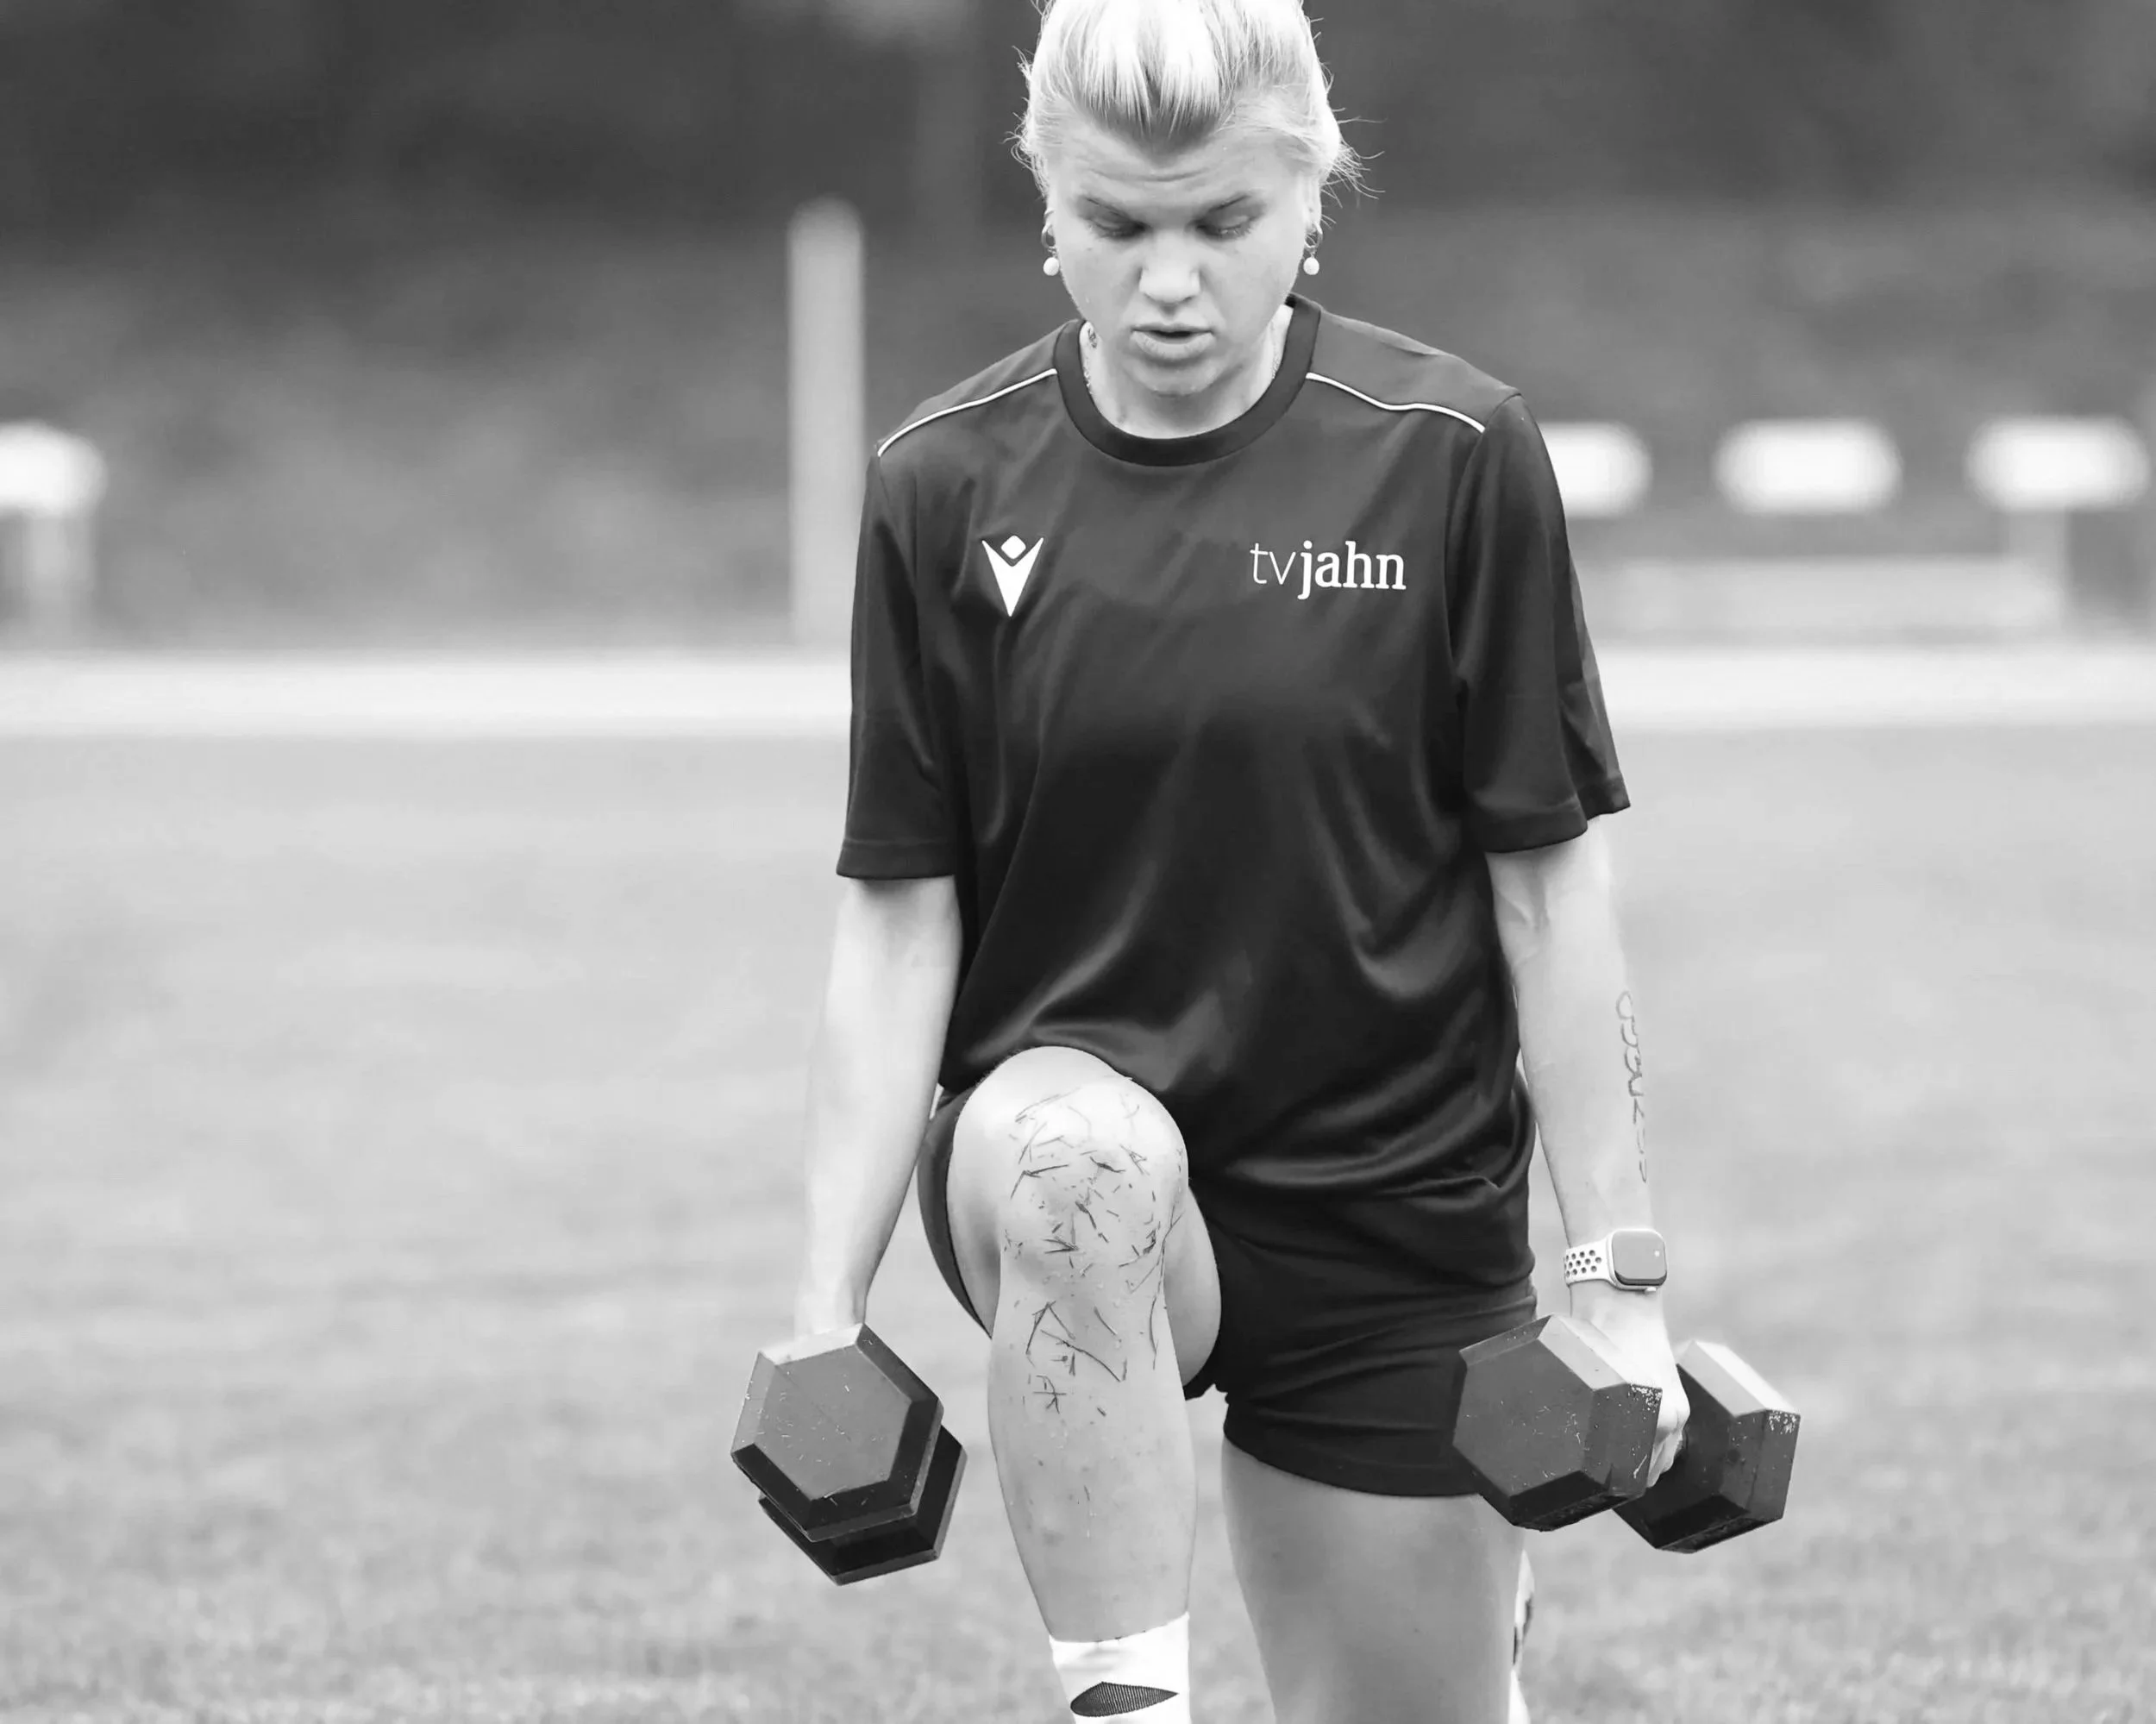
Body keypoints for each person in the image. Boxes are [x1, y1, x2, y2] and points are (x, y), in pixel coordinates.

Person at [790, 2, 1690, 1720]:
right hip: (1069, 1179)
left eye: (1223, 221)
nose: (1172, 281)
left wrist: (1615, 1279)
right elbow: (898, 923)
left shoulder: (1450, 458)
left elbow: (1543, 891)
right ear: (1044, 208)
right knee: (1079, 1160)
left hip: (1388, 1220)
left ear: (1310, 199)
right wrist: (822, 1308)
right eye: (1118, 226)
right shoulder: (937, 485)